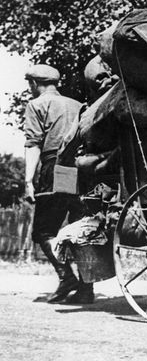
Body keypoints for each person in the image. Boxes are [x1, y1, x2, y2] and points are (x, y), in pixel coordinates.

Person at [23, 64, 91, 303]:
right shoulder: (77, 105)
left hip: (56, 166)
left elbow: (33, 144)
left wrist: (28, 180)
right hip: (83, 168)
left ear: (34, 84)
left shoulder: (36, 104)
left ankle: (66, 276)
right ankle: (86, 289)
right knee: (80, 228)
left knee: (44, 230)